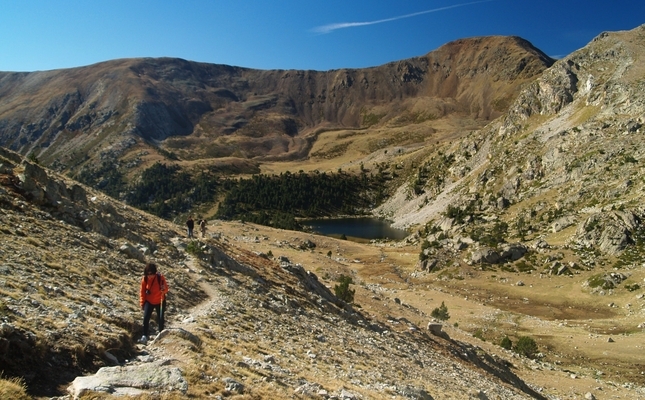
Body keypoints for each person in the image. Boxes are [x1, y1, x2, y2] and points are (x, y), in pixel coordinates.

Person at [139, 262, 169, 344]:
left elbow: (166, 289)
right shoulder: (144, 279)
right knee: (146, 318)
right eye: (148, 274)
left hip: (160, 300)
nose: (150, 276)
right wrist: (142, 303)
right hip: (149, 301)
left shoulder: (160, 277)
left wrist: (164, 289)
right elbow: (142, 292)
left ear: (154, 273)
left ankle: (161, 334)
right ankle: (144, 335)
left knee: (160, 318)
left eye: (151, 274)